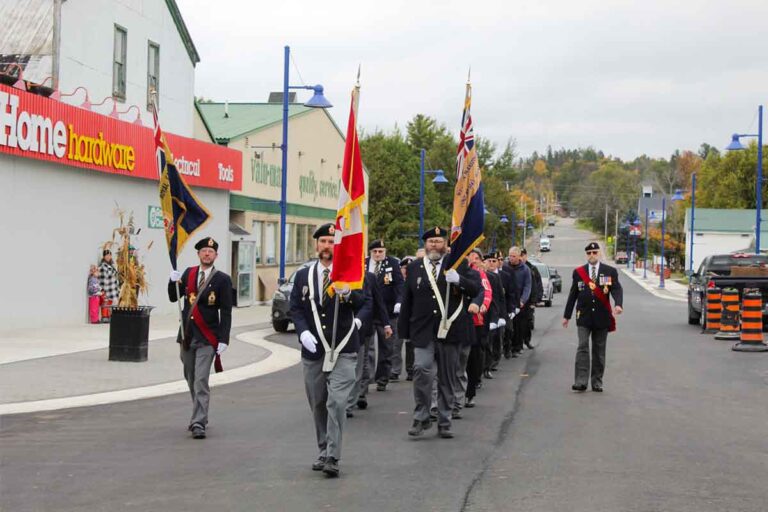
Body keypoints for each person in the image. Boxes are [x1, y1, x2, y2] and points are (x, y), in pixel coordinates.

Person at [289, 223, 368, 477]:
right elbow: (295, 308)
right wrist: (302, 331)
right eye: (323, 241)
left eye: (332, 242)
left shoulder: (352, 274)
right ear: (316, 245)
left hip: (343, 348)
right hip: (313, 351)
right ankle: (323, 450)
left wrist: (348, 295)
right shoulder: (304, 275)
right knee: (319, 403)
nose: (327, 246)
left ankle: (333, 456)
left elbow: (364, 302)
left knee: (337, 402)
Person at [399, 227, 481, 439]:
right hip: (423, 332)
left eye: (438, 241)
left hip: (450, 332)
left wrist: (459, 281)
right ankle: (421, 416)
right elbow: (408, 300)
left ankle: (444, 421)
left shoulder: (457, 265)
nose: (434, 245)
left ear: (446, 244)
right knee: (421, 371)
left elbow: (475, 289)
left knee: (447, 378)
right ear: (425, 245)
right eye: (431, 241)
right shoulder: (415, 267)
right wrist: (404, 332)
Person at [168, 237, 233, 440]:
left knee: (201, 379)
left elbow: (226, 311)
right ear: (198, 254)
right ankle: (199, 412)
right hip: (187, 335)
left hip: (208, 337)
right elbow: (173, 297)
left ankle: (198, 421)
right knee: (190, 376)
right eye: (204, 250)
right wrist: (172, 281)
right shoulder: (189, 273)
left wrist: (224, 339)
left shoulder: (222, 279)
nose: (207, 254)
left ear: (216, 256)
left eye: (210, 252)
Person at [562, 242, 624, 392]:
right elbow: (573, 294)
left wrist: (618, 304)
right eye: (589, 253)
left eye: (595, 252)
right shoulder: (579, 272)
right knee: (582, 347)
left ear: (599, 253)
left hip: (602, 317)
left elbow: (616, 289)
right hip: (583, 316)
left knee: (599, 350)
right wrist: (567, 316)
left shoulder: (609, 271)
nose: (592, 255)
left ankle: (597, 382)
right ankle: (581, 381)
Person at [347, 271, 390, 416]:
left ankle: (355, 397)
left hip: (362, 328)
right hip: (341, 329)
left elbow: (377, 302)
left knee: (360, 364)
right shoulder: (338, 275)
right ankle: (347, 398)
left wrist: (386, 324)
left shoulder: (369, 277)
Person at [365, 239, 404, 389]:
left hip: (388, 312)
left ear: (385, 252)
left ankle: (382, 378)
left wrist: (399, 301)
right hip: (368, 311)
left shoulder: (392, 263)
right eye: (374, 251)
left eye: (380, 251)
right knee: (367, 348)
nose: (377, 254)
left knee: (387, 347)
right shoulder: (364, 263)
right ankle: (365, 379)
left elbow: (399, 284)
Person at [463, 249, 493, 409]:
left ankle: (470, 392)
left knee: (473, 359)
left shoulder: (479, 274)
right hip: (455, 322)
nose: (473, 260)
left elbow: (487, 292)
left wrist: (482, 305)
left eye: (476, 257)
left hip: (475, 322)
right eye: (470, 256)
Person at [504, 247, 531, 358]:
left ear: (519, 256)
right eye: (510, 255)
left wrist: (523, 300)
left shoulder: (525, 269)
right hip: (508, 301)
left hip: (519, 301)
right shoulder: (505, 267)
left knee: (518, 326)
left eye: (514, 256)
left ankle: (516, 347)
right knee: (508, 327)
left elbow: (527, 286)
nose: (511, 258)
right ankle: (506, 347)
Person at [521, 248, 543, 350]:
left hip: (529, 301)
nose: (521, 258)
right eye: (519, 255)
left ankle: (527, 340)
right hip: (518, 300)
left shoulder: (532, 268)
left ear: (526, 255)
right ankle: (518, 343)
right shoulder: (513, 267)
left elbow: (537, 285)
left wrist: (536, 300)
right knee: (518, 323)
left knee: (528, 323)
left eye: (523, 255)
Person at [399, 255, 416, 381]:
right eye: (405, 267)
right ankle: (399, 369)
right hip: (400, 315)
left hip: (414, 315)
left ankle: (411, 370)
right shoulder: (397, 280)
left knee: (412, 344)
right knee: (398, 343)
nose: (407, 270)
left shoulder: (416, 280)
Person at [98, 249, 119, 323]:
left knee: (111, 303)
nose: (108, 256)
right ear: (104, 256)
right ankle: (105, 317)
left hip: (112, 288)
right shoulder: (103, 266)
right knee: (106, 302)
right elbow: (103, 279)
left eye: (110, 255)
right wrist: (103, 290)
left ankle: (109, 316)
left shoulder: (111, 265)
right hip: (107, 288)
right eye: (107, 255)